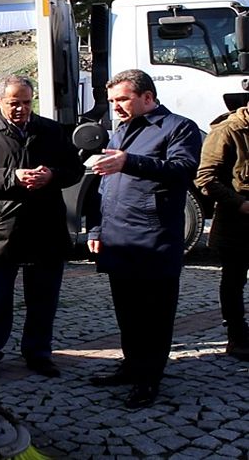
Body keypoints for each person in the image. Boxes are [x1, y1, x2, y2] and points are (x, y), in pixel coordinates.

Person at [0, 74, 84, 380]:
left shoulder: (50, 131)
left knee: (43, 300)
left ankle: (38, 353)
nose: (21, 109)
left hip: (45, 228)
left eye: (26, 102)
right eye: (14, 103)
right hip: (0, 231)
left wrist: (52, 176)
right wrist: (11, 177)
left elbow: (75, 170)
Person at [87, 69, 201, 408]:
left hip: (154, 238)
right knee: (127, 312)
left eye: (122, 99)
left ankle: (149, 380)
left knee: (155, 315)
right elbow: (103, 187)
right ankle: (131, 366)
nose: (115, 107)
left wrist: (129, 161)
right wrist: (96, 229)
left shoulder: (178, 127)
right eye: (112, 101)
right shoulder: (120, 131)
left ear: (147, 97)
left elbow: (183, 170)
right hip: (119, 239)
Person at [194, 101, 249, 360]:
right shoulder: (228, 130)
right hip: (237, 223)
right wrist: (241, 204)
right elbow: (205, 178)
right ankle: (237, 337)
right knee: (234, 280)